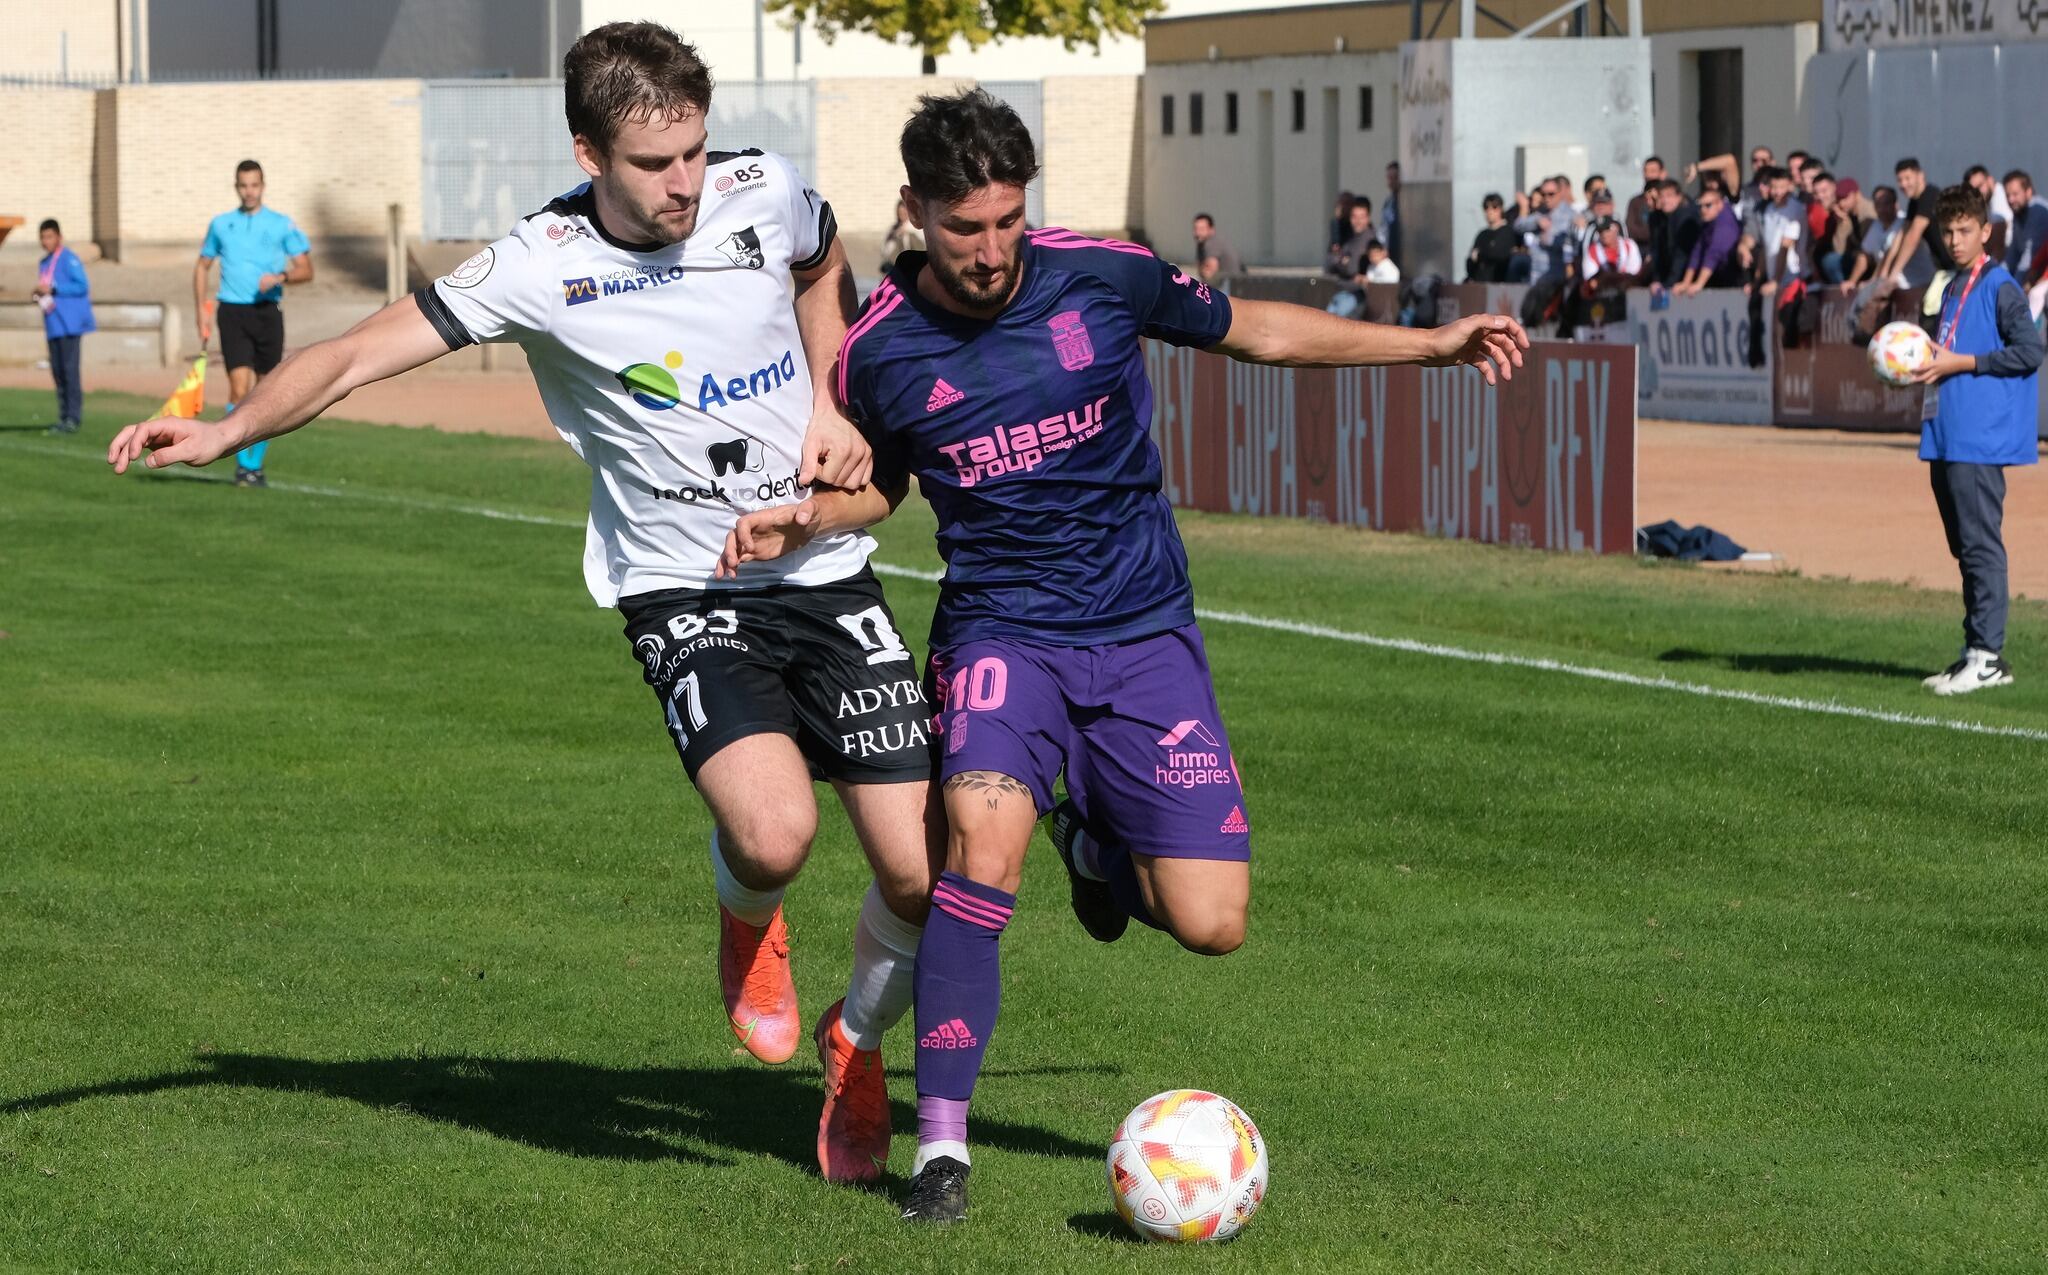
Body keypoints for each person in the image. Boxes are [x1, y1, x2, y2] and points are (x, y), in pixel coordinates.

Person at [108, 21, 938, 1187]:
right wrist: (226, 428)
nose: (686, 185)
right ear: (588, 152)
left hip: (823, 568)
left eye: (695, 152)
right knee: (776, 830)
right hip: (684, 586)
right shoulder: (537, 264)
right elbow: (352, 355)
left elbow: (817, 264)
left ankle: (854, 1044)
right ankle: (748, 923)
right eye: (656, 165)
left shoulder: (765, 190)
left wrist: (825, 395)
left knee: (916, 874)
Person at [720, 86, 1529, 1225]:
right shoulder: (876, 351)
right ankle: (941, 1152)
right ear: (912, 211)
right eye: (965, 227)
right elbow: (878, 487)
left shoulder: (1101, 273)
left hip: (1146, 634)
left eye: (1007, 219)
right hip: (1002, 636)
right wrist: (806, 518)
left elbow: (1255, 328)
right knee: (979, 853)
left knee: (1211, 924)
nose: (992, 249)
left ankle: (1091, 839)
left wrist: (1429, 344)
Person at [1910, 184, 2043, 695]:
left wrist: (1963, 363)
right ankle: (1975, 650)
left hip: (1980, 438)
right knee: (1964, 547)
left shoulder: (2000, 285)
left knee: (1981, 546)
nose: (1955, 239)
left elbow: (2030, 350)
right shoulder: (1949, 285)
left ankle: (1988, 656)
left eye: (1965, 230)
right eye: (1947, 231)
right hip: (1947, 433)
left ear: (1986, 231)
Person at [196, 159, 314, 487]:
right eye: (243, 185)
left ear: (263, 186)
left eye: (254, 185)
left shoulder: (281, 225)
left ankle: (255, 466)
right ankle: (242, 466)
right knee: (238, 388)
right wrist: (200, 310)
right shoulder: (221, 224)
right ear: (236, 187)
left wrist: (282, 276)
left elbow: (307, 270)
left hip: (267, 313)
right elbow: (201, 266)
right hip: (232, 312)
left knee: (266, 392)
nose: (249, 191)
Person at [31, 219, 94, 436]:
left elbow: (82, 285)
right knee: (57, 372)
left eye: (49, 236)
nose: (45, 241)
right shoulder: (44, 262)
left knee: (69, 371)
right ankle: (63, 416)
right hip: (53, 323)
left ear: (59, 237)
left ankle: (73, 418)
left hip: (70, 324)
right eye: (42, 237)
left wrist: (55, 287)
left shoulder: (68, 259)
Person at [1671, 184, 1743, 295]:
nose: (1703, 210)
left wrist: (1699, 284)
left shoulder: (1725, 223)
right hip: (1721, 273)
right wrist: (1686, 282)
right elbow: (1697, 251)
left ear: (1719, 204)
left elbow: (1714, 253)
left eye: (1708, 205)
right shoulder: (1708, 221)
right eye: (1700, 206)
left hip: (1735, 277)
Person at [1323, 201, 1377, 317]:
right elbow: (1328, 266)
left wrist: (1341, 261)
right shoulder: (1348, 238)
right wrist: (1343, 262)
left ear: (1368, 218)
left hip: (1357, 296)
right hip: (1341, 293)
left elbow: (1352, 268)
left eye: (1361, 217)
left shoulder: (1370, 240)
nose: (1358, 221)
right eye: (1354, 217)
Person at [1466, 192, 1522, 283]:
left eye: (1494, 207)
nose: (1490, 211)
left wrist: (1480, 255)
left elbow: (1498, 254)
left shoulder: (1508, 231)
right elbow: (1470, 262)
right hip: (1480, 283)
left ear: (1501, 209)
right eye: (1486, 208)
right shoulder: (1482, 234)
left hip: (1499, 285)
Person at [1191, 213, 1244, 288]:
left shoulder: (1212, 243)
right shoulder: (1204, 243)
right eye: (1195, 229)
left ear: (1211, 230)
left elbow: (1210, 271)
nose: (1197, 233)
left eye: (1202, 229)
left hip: (1228, 288)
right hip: (1230, 285)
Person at [1625, 156, 1667, 250]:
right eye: (1645, 171)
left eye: (1652, 171)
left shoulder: (1670, 201)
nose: (1648, 175)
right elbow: (1630, 229)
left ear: (1663, 173)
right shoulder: (1635, 201)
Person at [881, 198, 924, 273]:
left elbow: (922, 244)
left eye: (905, 213)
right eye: (900, 213)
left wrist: (908, 230)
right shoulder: (894, 229)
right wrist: (897, 235)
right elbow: (886, 250)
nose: (903, 215)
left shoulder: (918, 227)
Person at [1379, 161, 1401, 269]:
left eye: (1395, 178)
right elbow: (1383, 228)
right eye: (1389, 178)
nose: (1391, 182)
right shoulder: (1388, 203)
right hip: (1390, 254)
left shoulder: (1408, 202)